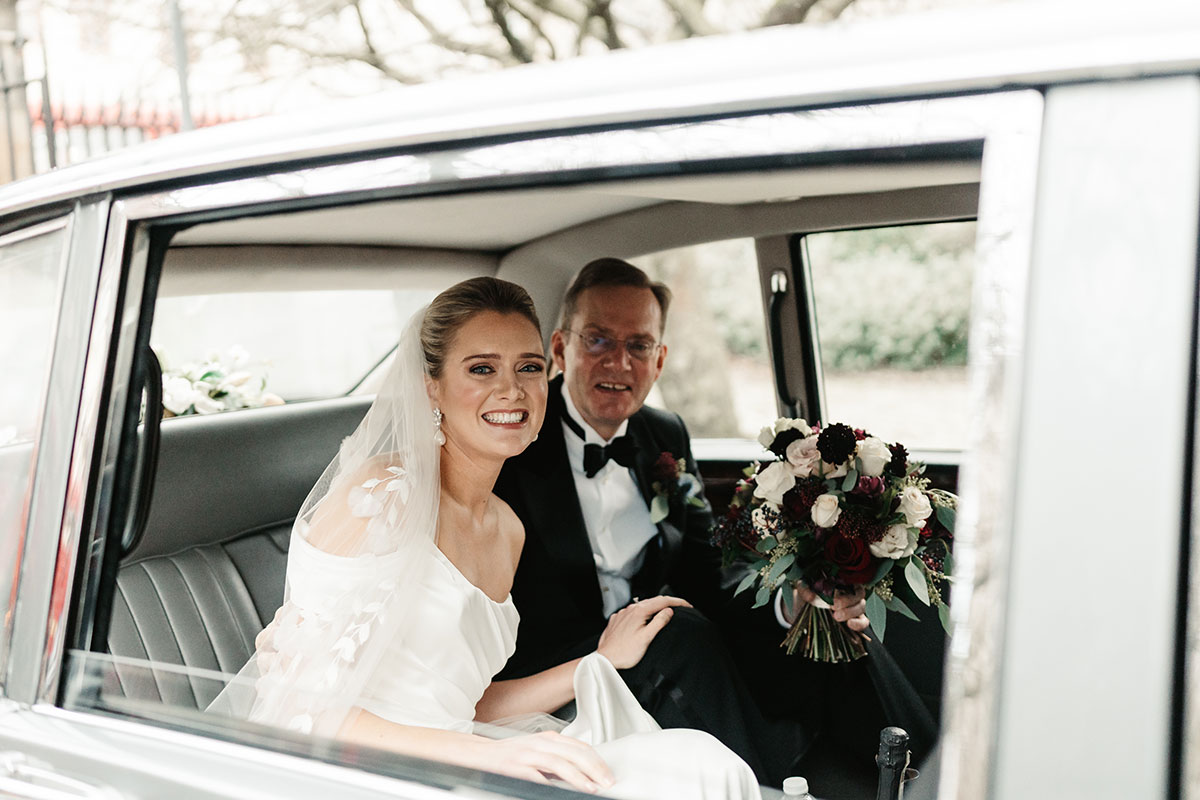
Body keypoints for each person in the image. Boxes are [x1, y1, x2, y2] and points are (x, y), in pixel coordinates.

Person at [230, 277, 763, 799]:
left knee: (703, 760)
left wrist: (597, 660)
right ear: (431, 385)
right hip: (371, 773)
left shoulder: (506, 529)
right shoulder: (380, 496)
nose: (511, 390)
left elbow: (467, 705)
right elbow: (299, 709)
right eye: (482, 368)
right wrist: (495, 756)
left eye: (528, 368)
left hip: (462, 748)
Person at [493, 258, 935, 794]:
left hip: (656, 636)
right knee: (681, 633)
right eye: (599, 341)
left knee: (828, 621)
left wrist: (794, 600)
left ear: (659, 361)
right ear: (560, 350)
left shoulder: (664, 434)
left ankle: (927, 770)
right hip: (565, 664)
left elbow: (708, 566)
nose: (620, 362)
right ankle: (769, 787)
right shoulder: (510, 448)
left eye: (638, 346)